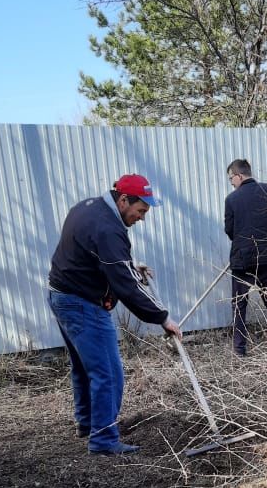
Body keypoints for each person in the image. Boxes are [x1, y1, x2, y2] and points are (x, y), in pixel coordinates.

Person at [48, 174, 182, 455]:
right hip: (82, 303)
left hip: (62, 295)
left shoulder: (89, 206)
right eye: (141, 210)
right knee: (108, 373)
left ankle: (88, 424)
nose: (142, 217)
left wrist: (132, 266)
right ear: (123, 201)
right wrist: (163, 318)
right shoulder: (108, 228)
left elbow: (103, 258)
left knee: (85, 368)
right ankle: (103, 440)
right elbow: (125, 284)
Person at [224, 159, 267, 357]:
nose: (231, 183)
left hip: (242, 261)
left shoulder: (231, 200)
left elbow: (229, 231)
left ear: (239, 175)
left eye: (231, 179)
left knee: (239, 305)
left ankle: (239, 350)